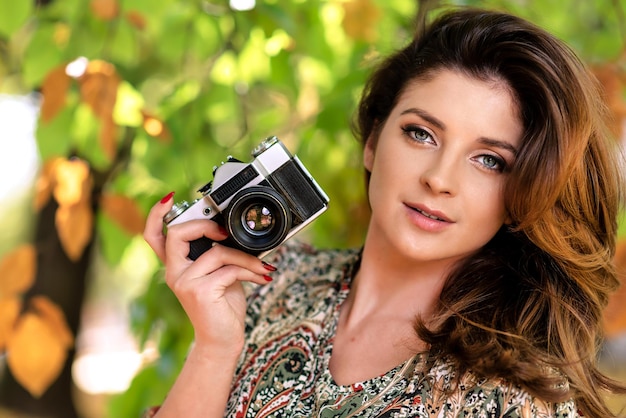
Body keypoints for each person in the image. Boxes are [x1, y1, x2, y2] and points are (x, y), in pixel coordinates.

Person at [142, 7, 626, 418]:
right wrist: (214, 347)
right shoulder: (271, 284)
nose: (439, 178)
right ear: (373, 143)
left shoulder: (518, 397)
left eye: (489, 160)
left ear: (523, 194)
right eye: (421, 133)